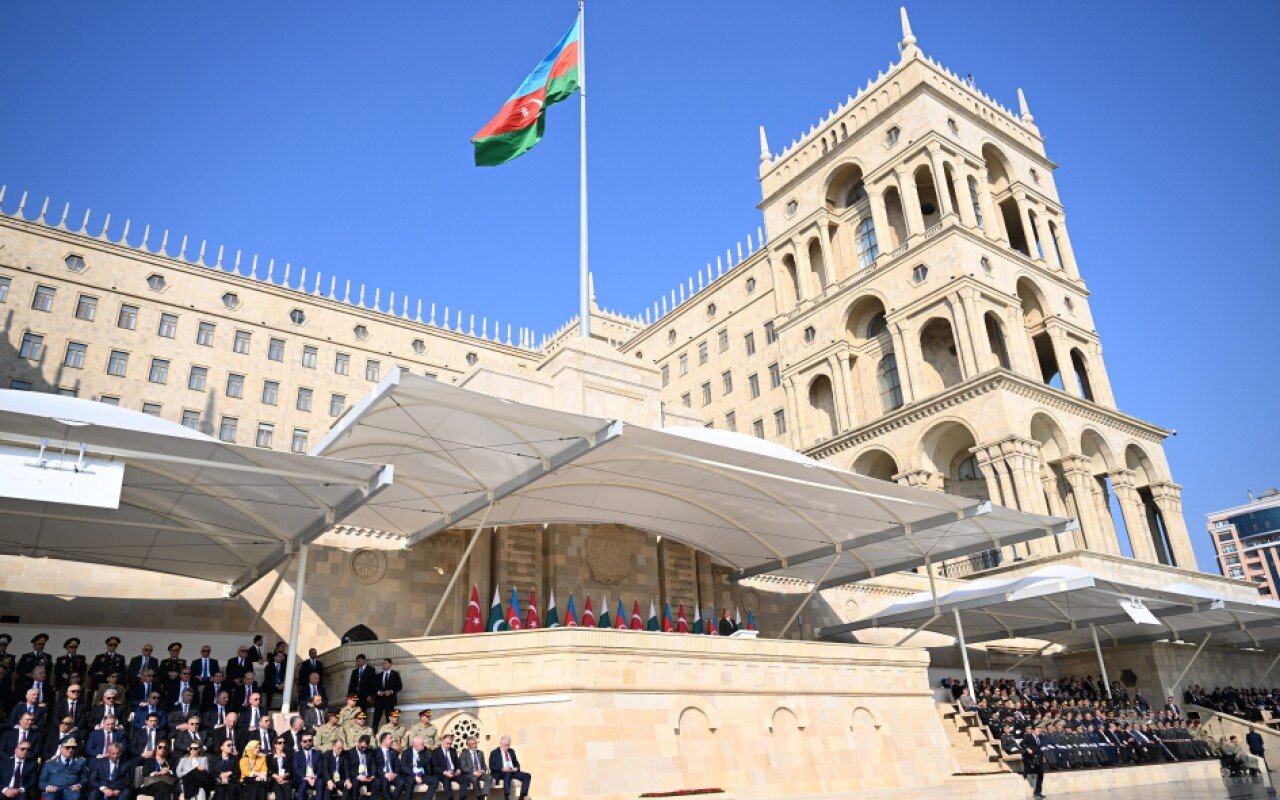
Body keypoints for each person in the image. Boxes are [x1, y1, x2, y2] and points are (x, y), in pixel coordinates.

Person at [430, 734, 462, 800]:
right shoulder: (435, 751)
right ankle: (450, 798)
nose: (449, 745)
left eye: (450, 744)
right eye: (447, 743)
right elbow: (435, 767)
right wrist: (445, 772)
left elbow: (457, 763)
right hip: (442, 774)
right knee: (446, 779)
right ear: (442, 741)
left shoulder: (453, 750)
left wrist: (459, 769)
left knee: (464, 779)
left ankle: (462, 797)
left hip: (453, 773)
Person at [371, 662, 400, 733]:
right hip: (379, 701)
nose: (383, 665)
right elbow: (373, 687)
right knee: (376, 720)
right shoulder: (379, 675)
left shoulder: (395, 674)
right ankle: (373, 735)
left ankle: (389, 735)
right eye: (382, 664)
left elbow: (399, 686)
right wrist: (378, 692)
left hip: (389, 701)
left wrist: (391, 692)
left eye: (385, 663)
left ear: (390, 664)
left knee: (390, 719)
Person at [289, 733, 319, 800]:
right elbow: (295, 769)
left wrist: (315, 776)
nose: (308, 743)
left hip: (315, 778)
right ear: (301, 743)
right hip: (302, 778)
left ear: (312, 741)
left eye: (310, 740)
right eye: (305, 741)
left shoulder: (318, 753)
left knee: (321, 782)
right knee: (304, 783)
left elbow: (320, 768)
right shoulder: (296, 755)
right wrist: (306, 777)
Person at [1019, 725, 1045, 799]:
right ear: (1033, 730)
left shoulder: (1039, 737)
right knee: (1034, 769)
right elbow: (1021, 744)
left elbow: (1040, 748)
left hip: (1038, 757)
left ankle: (1038, 792)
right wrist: (1027, 749)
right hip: (1031, 757)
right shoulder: (1029, 736)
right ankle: (1027, 770)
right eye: (1037, 730)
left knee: (1041, 773)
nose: (1039, 731)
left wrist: (1043, 757)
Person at [371, 735, 400, 800]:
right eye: (390, 738)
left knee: (401, 781)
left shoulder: (393, 751)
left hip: (393, 775)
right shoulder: (375, 752)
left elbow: (397, 765)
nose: (392, 740)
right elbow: (375, 767)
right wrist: (385, 774)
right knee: (384, 782)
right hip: (382, 775)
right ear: (384, 740)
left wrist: (395, 774)